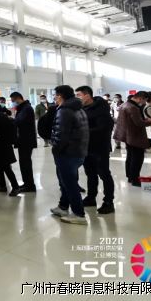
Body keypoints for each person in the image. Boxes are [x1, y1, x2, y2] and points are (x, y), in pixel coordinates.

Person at [50, 85, 89, 225]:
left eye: (55, 95)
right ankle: (63, 207)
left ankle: (79, 214)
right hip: (78, 151)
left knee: (70, 184)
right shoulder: (78, 108)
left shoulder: (64, 110)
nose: (54, 98)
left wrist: (55, 149)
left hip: (67, 153)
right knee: (66, 181)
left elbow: (61, 135)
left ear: (60, 96)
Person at [75, 86, 115, 215]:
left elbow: (104, 128)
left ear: (87, 95)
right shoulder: (82, 109)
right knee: (90, 173)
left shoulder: (101, 109)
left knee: (104, 174)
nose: (77, 98)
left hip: (100, 148)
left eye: (79, 95)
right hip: (86, 147)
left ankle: (108, 202)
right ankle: (91, 197)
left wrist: (81, 132)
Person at [113, 91, 151, 187]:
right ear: (140, 98)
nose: (144, 103)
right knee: (137, 158)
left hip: (128, 135)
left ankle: (130, 177)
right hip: (135, 136)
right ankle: (135, 179)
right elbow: (139, 123)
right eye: (144, 100)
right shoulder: (133, 107)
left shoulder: (125, 104)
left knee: (130, 157)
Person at [0, 102, 20, 197]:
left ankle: (15, 187)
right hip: (3, 145)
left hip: (2, 146)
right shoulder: (2, 115)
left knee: (6, 168)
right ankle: (2, 185)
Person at [10, 92, 37, 192]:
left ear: (18, 98)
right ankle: (27, 183)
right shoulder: (22, 108)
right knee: (23, 163)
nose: (13, 103)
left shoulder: (27, 108)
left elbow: (19, 121)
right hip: (23, 140)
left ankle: (30, 185)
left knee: (25, 163)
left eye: (13, 101)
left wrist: (10, 119)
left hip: (26, 140)